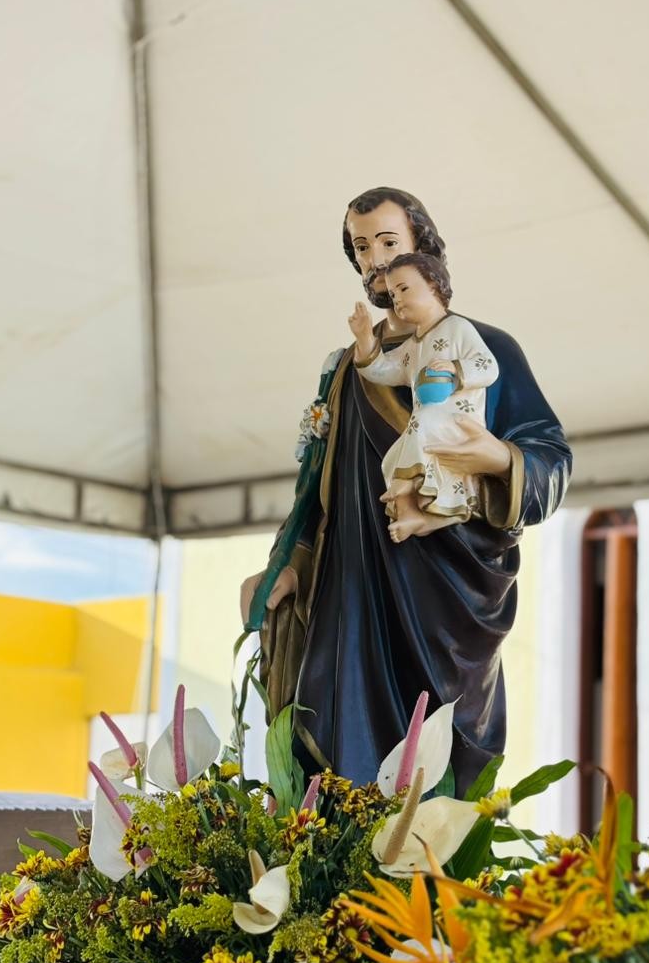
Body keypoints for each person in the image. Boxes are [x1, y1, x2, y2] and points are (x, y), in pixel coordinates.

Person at [240, 187, 571, 794]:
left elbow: (551, 461)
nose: (376, 261)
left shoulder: (484, 346)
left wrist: (498, 458)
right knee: (334, 760)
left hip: (444, 596)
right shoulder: (348, 368)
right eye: (362, 247)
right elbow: (316, 483)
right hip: (350, 592)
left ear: (424, 247)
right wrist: (290, 560)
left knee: (434, 770)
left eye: (389, 243)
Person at [348, 252, 499, 543]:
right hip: (428, 425)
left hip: (458, 422)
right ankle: (413, 515)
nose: (397, 299)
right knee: (391, 458)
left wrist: (455, 369)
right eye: (393, 294)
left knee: (422, 421)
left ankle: (407, 487)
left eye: (404, 288)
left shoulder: (457, 328)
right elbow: (382, 370)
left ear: (433, 285)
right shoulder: (414, 346)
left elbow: (488, 366)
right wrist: (365, 337)